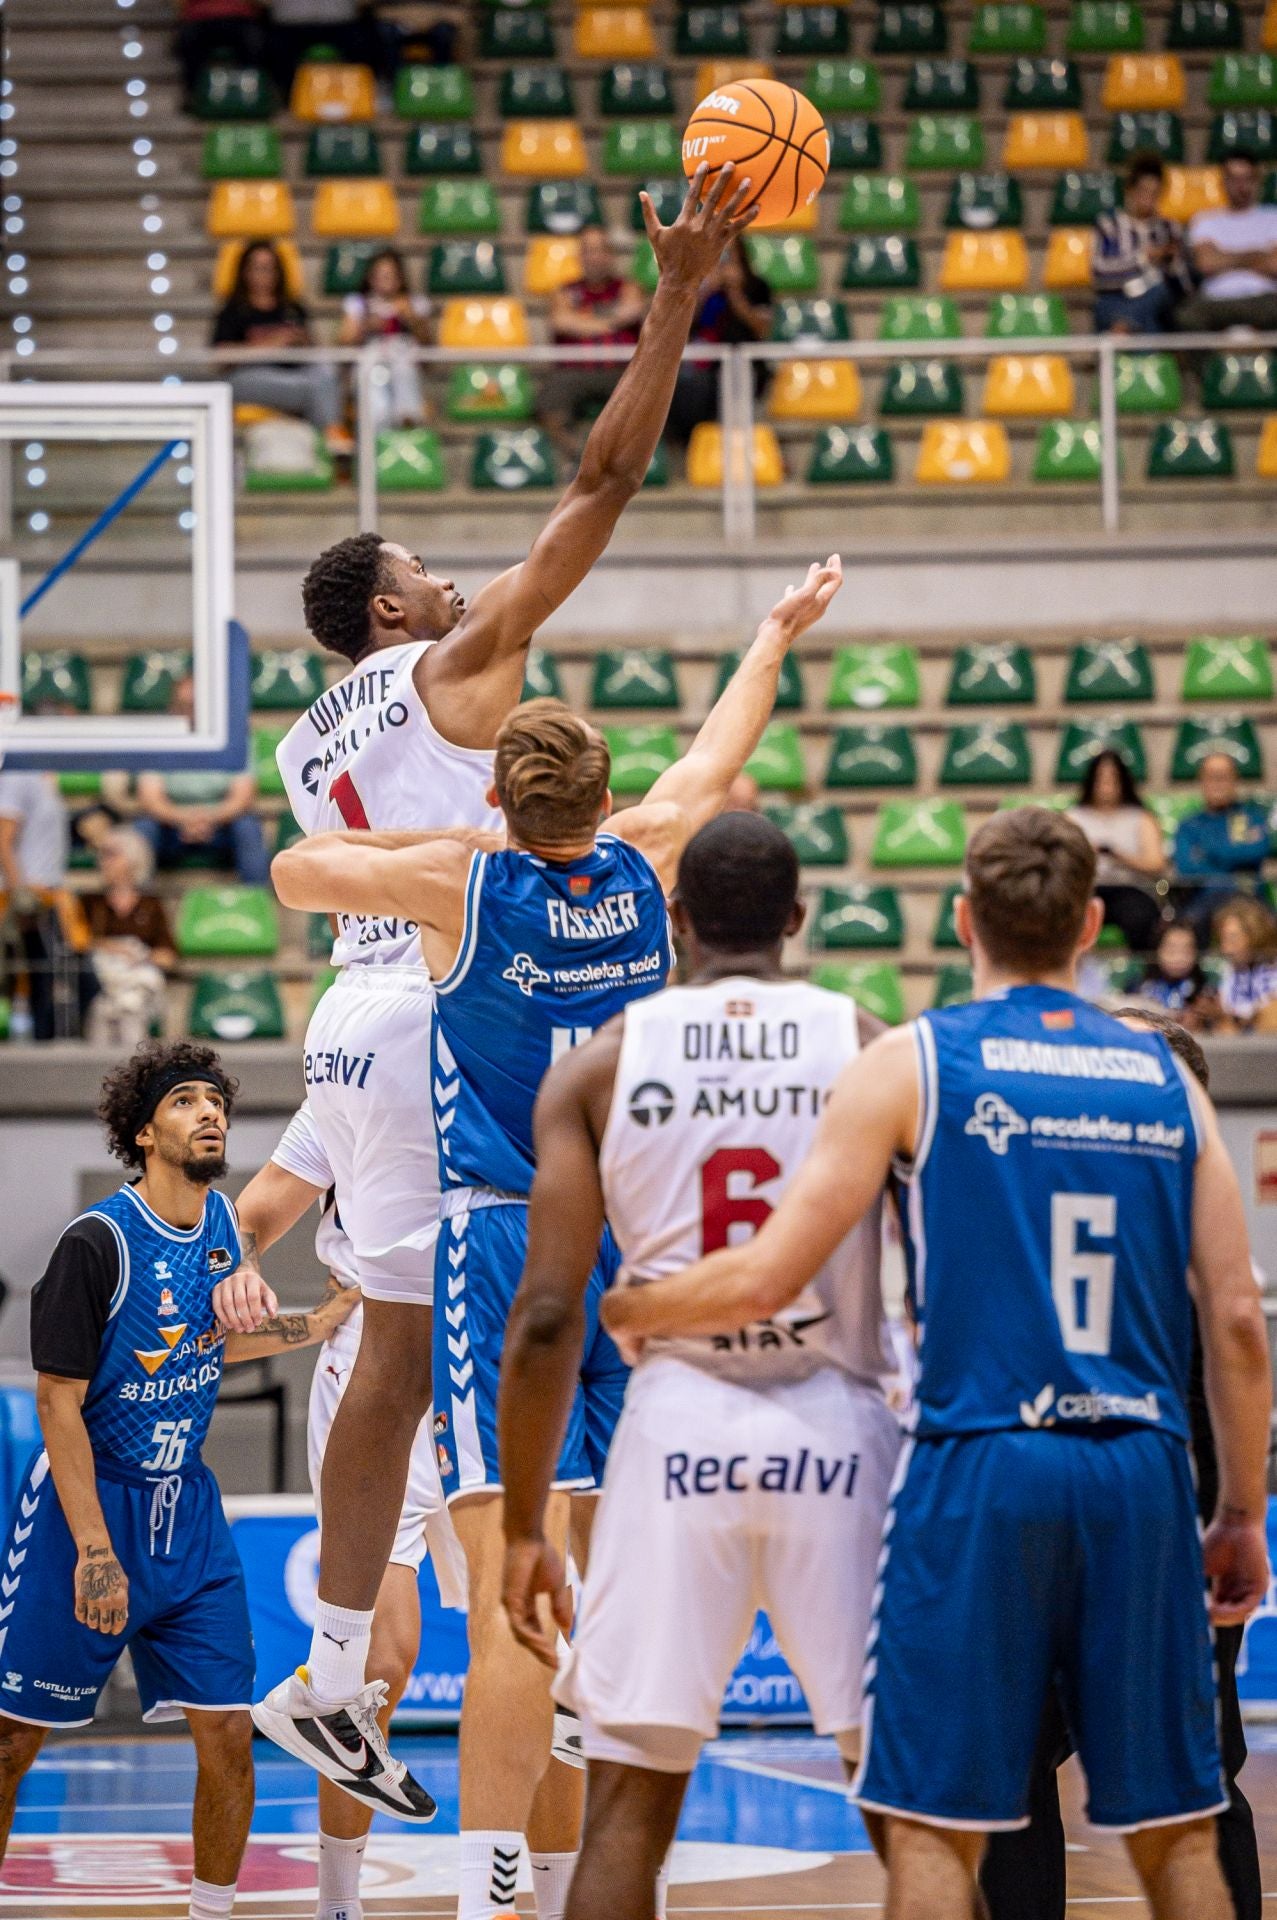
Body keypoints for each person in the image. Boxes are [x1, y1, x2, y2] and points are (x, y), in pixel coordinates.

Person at [227, 163, 763, 1828]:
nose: (462, 581)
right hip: (425, 1005)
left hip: (350, 1007)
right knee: (458, 1349)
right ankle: (451, 1674)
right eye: (428, 572)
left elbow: (301, 872)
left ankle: (326, 1670)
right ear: (387, 615)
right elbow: (603, 481)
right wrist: (675, 298)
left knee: (383, 1349)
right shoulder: (438, 675)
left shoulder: (314, 738)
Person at [260, 558, 843, 1913]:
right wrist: (767, 633)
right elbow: (715, 754)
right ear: (601, 797)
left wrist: (441, 845)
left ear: (502, 799)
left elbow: (296, 868)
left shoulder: (464, 895)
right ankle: (589, 1739)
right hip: (630, 1256)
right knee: (581, 1554)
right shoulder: (650, 865)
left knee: (506, 1573)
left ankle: (487, 1884)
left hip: (495, 1248)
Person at [602, 807, 1272, 1920]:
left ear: (961, 918)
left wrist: (641, 1305)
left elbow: (772, 1278)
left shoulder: (916, 1058)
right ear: (1091, 923)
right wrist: (1239, 1510)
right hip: (1140, 1465)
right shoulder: (1168, 1080)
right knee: (1175, 1833)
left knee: (937, 1830)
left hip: (982, 1460)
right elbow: (1239, 1320)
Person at [498, 811, 901, 1920]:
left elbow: (542, 1319)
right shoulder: (870, 1044)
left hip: (675, 1423)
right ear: (796, 919)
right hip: (838, 1424)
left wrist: (525, 1526)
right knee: (905, 1805)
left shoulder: (597, 1065)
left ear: (672, 919)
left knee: (630, 1801)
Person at [0, 1039, 354, 1915]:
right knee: (12, 1741)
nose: (211, 1115)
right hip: (88, 1504)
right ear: (144, 1131)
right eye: (187, 1102)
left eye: (217, 1101)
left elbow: (213, 1342)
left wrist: (326, 1317)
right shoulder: (96, 1245)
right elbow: (57, 1406)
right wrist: (93, 1551)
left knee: (229, 1736)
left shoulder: (228, 1231)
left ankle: (210, 1911)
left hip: (186, 1512)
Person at [978, 1007, 1264, 1920]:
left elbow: (1238, 1353)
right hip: (1102, 1517)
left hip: (1153, 1524)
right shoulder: (1086, 1205)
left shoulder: (1184, 1232)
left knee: (1175, 1775)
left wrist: (1235, 1515)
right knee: (1163, 1774)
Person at [220, 1101, 470, 1920]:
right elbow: (251, 1214)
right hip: (376, 1360)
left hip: (490, 1354)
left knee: (540, 1643)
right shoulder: (353, 1069)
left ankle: (535, 1889)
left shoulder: (514, 1047)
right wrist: (239, 1266)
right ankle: (338, 1904)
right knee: (381, 1667)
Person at [211, 240, 348, 455]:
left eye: (270, 268)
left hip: (295, 373)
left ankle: (324, 445)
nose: (264, 275)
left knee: (326, 374)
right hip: (248, 377)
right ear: (245, 272)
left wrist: (301, 341)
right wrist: (271, 344)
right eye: (258, 268)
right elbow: (221, 357)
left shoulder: (292, 308)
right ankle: (332, 444)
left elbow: (313, 348)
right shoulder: (233, 310)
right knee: (315, 388)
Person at [135, 675, 271, 887]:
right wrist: (186, 818)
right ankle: (142, 908)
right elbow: (150, 798)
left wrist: (207, 818)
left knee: (248, 828)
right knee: (142, 831)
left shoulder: (234, 737)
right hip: (171, 827)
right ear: (172, 706)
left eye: (195, 706)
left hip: (222, 827)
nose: (189, 713)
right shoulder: (158, 737)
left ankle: (257, 902)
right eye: (183, 706)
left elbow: (243, 796)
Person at [0, 765, 96, 1040]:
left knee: (53, 979)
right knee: (44, 978)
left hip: (51, 892)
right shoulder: (17, 776)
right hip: (30, 895)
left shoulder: (45, 776)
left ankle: (49, 1041)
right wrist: (20, 893)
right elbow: (3, 840)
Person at [538, 227, 648, 459]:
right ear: (579, 256)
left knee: (647, 400)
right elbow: (561, 322)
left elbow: (632, 311)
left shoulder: (628, 287)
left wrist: (582, 321)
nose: (594, 257)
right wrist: (611, 321)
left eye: (600, 250)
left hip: (620, 371)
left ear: (611, 255)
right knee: (549, 403)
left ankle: (621, 460)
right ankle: (578, 456)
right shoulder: (564, 291)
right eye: (588, 251)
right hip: (573, 371)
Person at [665, 236, 773, 444]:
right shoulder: (697, 287)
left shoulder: (757, 286)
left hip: (744, 363)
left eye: (728, 254)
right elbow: (682, 327)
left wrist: (735, 294)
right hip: (702, 366)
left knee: (735, 375)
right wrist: (704, 291)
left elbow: (762, 328)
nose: (723, 261)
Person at [85, 827, 176, 1049]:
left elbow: (167, 955)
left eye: (112, 854)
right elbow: (79, 942)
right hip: (103, 980)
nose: (103, 861)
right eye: (103, 855)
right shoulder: (91, 902)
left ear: (132, 859)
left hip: (137, 980)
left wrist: (138, 954)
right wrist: (112, 947)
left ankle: (133, 1064)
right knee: (108, 1007)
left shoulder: (151, 904)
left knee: (131, 1006)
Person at [1068, 748, 1166, 952]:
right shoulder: (1073, 818)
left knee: (1141, 918)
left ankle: (1141, 978)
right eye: (1101, 777)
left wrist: (1118, 855)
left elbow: (1157, 864)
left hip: (1129, 887)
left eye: (1112, 777)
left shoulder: (1141, 818)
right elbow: (1061, 862)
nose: (1106, 784)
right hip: (1087, 887)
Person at [1177, 150, 1277, 333]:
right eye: (1234, 179)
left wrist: (1224, 257)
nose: (1241, 186)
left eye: (1247, 178)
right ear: (1223, 182)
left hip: (1265, 300)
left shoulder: (1273, 217)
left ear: (1257, 181)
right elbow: (1206, 263)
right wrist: (1259, 255)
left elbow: (1274, 265)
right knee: (1186, 316)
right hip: (1216, 301)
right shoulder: (1205, 220)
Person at [1173, 750, 1270, 939]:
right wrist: (1232, 853)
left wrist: (1206, 850)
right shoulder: (1188, 825)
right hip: (1201, 902)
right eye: (1211, 776)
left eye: (1224, 776)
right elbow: (1187, 869)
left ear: (1235, 780)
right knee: (1182, 932)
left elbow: (1256, 852)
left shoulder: (1248, 818)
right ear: (1201, 781)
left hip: (1248, 898)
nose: (1217, 783)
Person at [1091, 153, 1190, 334]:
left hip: (1159, 299)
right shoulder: (1110, 225)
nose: (1148, 199)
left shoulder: (1170, 229)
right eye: (1143, 191)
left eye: (1154, 193)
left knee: (1160, 293)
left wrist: (1173, 263)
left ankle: (1121, 331)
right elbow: (1100, 272)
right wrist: (1143, 258)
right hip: (1117, 299)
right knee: (1149, 323)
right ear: (1130, 190)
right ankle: (1140, 347)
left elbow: (1184, 286)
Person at [338, 248, 432, 432]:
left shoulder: (415, 304)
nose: (384, 281)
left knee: (404, 370)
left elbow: (428, 344)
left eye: (390, 276)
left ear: (400, 278)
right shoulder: (358, 304)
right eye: (379, 276)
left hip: (404, 361)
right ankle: (377, 433)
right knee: (376, 390)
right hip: (371, 361)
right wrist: (365, 326)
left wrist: (410, 317)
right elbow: (345, 341)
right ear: (370, 279)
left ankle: (408, 421)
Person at [1134, 918, 1217, 1028]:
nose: (1179, 957)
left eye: (1186, 950)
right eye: (1171, 950)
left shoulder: (1207, 993)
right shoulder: (1140, 987)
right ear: (1157, 950)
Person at [1215, 896, 1277, 1032]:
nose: (1225, 949)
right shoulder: (1227, 971)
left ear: (1256, 935)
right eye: (1223, 940)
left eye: (1232, 939)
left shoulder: (1272, 969)